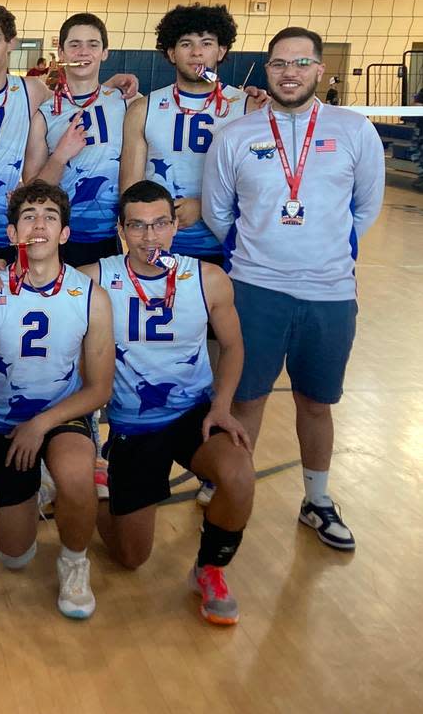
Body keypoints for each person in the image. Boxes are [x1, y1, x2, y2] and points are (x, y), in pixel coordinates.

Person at [202, 27, 385, 552]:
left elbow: (366, 206)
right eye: (279, 63)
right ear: (266, 70)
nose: (289, 72)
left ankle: (317, 499)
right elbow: (219, 211)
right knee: (246, 399)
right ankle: (230, 489)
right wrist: (260, 251)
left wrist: (327, 250)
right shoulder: (236, 135)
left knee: (317, 402)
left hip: (330, 293)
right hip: (256, 289)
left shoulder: (354, 131)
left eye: (301, 62)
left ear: (319, 70)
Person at [93, 180, 254, 624]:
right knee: (130, 557)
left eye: (160, 224)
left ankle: (210, 569)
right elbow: (38, 277)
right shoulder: (97, 278)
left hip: (192, 413)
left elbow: (234, 347)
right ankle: (101, 491)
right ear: (121, 230)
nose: (150, 237)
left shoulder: (207, 278)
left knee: (239, 473)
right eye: (138, 226)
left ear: (174, 226)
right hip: (133, 426)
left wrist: (222, 406)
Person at [0, 181, 114, 619]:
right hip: (2, 426)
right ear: (12, 235)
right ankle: (38, 487)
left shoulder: (91, 297)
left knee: (75, 474)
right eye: (28, 216)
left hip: (60, 415)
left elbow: (99, 389)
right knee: (14, 557)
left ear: (65, 233)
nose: (39, 224)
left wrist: (41, 424)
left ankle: (74, 561)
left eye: (50, 216)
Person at [0, 4, 136, 297]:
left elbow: (78, 100)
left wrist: (109, 86)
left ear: (10, 43)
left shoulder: (31, 91)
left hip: (11, 237)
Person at [121, 4, 261, 268]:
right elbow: (130, 190)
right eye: (186, 44)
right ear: (171, 53)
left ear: (221, 51)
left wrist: (204, 206)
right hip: (160, 247)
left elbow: (260, 186)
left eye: (206, 43)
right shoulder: (143, 109)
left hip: (228, 246)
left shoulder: (249, 107)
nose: (197, 52)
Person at [28, 12, 132, 267]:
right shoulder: (45, 113)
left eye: (93, 45)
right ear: (61, 53)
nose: (83, 52)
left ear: (105, 52)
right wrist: (61, 155)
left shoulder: (128, 103)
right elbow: (31, 193)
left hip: (109, 240)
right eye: (74, 45)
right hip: (57, 241)